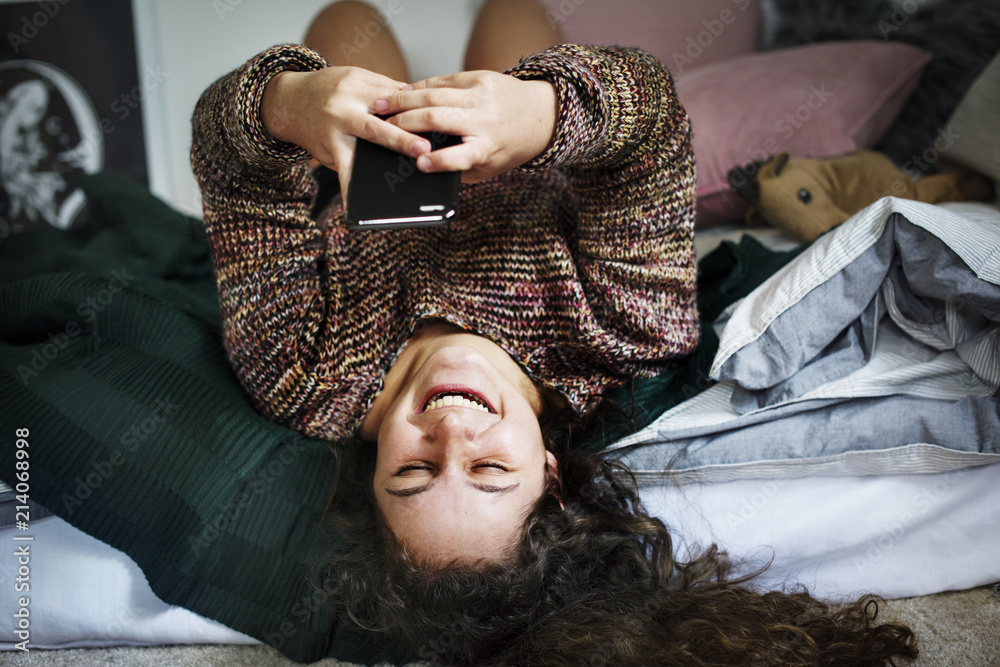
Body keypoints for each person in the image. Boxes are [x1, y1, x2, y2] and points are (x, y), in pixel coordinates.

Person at [191, 1, 918, 664]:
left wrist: (286, 106)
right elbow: (654, 125)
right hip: (536, 155)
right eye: (489, 471)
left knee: (347, 18)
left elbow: (229, 166)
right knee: (516, 9)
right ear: (551, 471)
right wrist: (536, 112)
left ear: (369, 482)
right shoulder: (624, 334)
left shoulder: (301, 375)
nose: (449, 436)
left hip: (354, 175)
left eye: (412, 473)